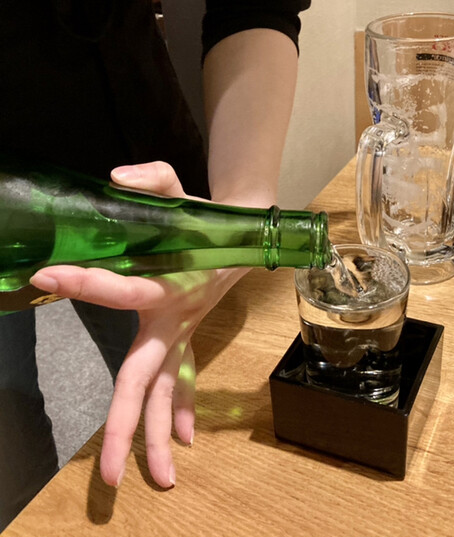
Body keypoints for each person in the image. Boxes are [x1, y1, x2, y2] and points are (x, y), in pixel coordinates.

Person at [0, 0, 311, 529]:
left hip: (144, 196)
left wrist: (247, 203)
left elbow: (255, 4)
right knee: (11, 445)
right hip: (19, 212)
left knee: (166, 403)